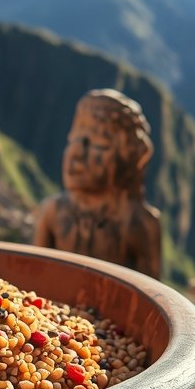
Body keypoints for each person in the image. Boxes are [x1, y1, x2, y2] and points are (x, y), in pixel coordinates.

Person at [33, 88, 161, 279]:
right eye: (74, 139)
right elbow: (33, 274)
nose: (75, 153)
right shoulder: (52, 211)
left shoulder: (138, 223)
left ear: (128, 157)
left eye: (99, 144)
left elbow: (151, 294)